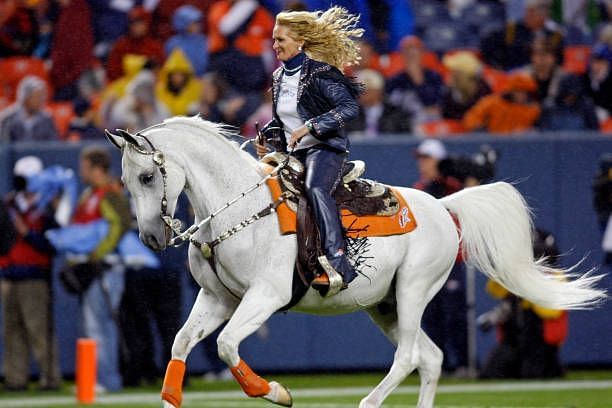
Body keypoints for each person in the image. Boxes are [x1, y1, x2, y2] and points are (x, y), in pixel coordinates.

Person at [255, 6, 363, 289]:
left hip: (325, 149)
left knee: (316, 188)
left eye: (281, 40)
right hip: (293, 153)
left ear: (300, 42)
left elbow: (349, 107)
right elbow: (283, 121)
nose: (274, 45)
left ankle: (338, 262)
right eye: (274, 39)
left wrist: (313, 126)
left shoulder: (320, 73)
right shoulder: (278, 78)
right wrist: (267, 136)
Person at [70, 147, 131, 392]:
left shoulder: (111, 193)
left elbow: (119, 227)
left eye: (84, 167)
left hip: (106, 268)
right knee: (91, 324)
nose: (80, 172)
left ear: (96, 168)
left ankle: (106, 380)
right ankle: (96, 378)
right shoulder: (89, 194)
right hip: (90, 267)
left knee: (99, 324)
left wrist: (97, 254)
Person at [0, 156, 62, 391]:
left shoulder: (46, 209)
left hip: (34, 276)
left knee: (39, 330)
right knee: (12, 331)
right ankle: (15, 379)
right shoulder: (8, 206)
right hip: (8, 274)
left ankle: (50, 378)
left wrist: (28, 234)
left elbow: (53, 244)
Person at [478, 229, 567, 379]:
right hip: (514, 340)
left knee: (532, 372)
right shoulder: (515, 278)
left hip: (540, 341)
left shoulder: (554, 276)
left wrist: (530, 293)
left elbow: (552, 312)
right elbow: (494, 290)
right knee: (490, 373)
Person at [411, 139, 467, 376]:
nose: (422, 164)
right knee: (431, 315)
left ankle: (462, 363)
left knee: (454, 313)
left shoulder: (455, 186)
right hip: (429, 262)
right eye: (421, 159)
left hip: (452, 260)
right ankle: (437, 364)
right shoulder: (419, 190)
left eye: (427, 159)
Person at [480, 0, 564, 70]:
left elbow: (560, 61)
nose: (545, 14)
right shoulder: (511, 32)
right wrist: (498, 68)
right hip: (513, 79)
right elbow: (487, 47)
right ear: (529, 11)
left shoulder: (554, 36)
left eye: (546, 10)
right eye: (541, 10)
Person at [386, 36, 444, 130]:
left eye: (415, 51)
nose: (411, 54)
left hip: (429, 125)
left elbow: (433, 103)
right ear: (402, 55)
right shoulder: (395, 80)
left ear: (422, 53)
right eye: (407, 52)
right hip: (402, 124)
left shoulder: (434, 77)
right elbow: (389, 107)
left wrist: (418, 79)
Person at [463, 72, 541, 134]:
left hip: (519, 147)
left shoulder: (534, 109)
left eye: (524, 91)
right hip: (494, 143)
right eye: (517, 91)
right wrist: (481, 132)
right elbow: (470, 118)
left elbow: (541, 131)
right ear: (511, 91)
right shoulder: (492, 103)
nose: (521, 94)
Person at [345, 68, 411, 137]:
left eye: (368, 90)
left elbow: (405, 140)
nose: (361, 94)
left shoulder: (396, 114)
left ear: (379, 91)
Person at [105, 6, 165, 82]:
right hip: (124, 88)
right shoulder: (121, 46)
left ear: (147, 24)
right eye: (133, 23)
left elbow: (161, 74)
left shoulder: (155, 47)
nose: (136, 27)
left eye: (140, 23)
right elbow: (113, 74)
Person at [0, 75, 59, 143]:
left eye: (41, 97)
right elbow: (3, 147)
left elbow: (54, 146)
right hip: (16, 153)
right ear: (25, 97)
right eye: (37, 97)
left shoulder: (47, 119)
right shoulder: (8, 118)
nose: (40, 101)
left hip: (40, 153)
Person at [441, 51, 491, 120]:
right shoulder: (450, 94)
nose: (451, 75)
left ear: (465, 75)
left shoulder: (485, 95)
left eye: (454, 72)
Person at [164, 4, 208, 76]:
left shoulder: (204, 40)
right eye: (193, 23)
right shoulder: (172, 43)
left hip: (202, 80)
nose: (197, 25)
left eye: (198, 22)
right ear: (183, 23)